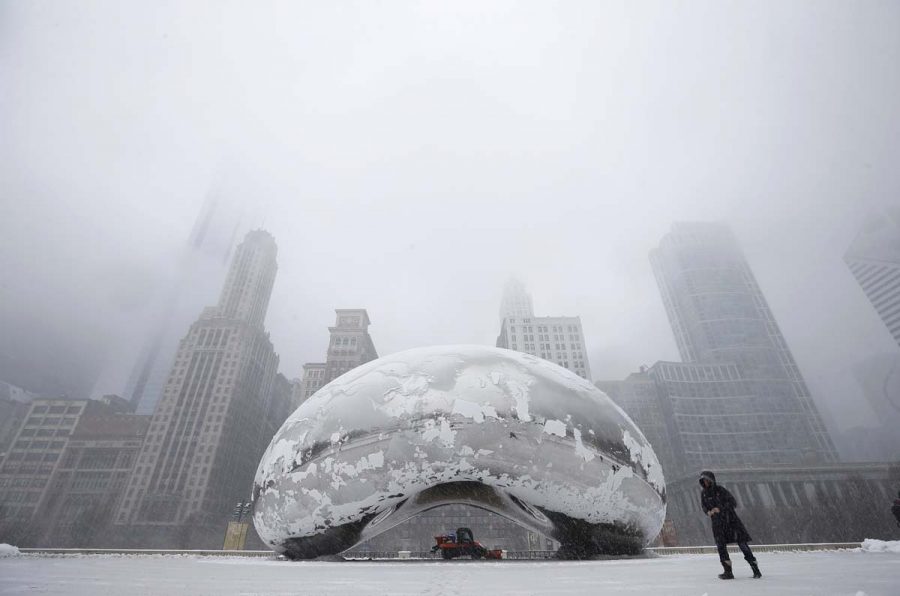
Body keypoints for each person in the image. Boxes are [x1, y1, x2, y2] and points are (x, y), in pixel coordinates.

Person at [699, 470, 761, 580]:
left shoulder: (720, 490)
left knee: (742, 544)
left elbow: (733, 502)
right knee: (721, 547)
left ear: (711, 480)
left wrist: (720, 508)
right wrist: (709, 512)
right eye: (703, 480)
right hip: (717, 524)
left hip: (731, 521)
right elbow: (704, 506)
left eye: (707, 480)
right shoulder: (703, 494)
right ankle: (728, 571)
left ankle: (755, 568)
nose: (705, 482)